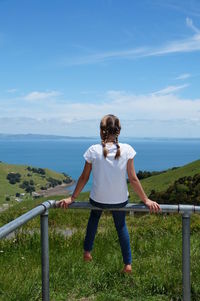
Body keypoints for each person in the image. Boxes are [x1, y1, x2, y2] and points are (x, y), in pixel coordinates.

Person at [57, 114, 161, 273]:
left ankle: (87, 252)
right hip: (119, 201)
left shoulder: (93, 150)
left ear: (101, 131)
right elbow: (133, 179)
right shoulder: (127, 149)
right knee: (121, 226)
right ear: (119, 131)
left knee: (94, 218)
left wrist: (72, 197)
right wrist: (145, 200)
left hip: (98, 200)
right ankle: (127, 264)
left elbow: (84, 177)